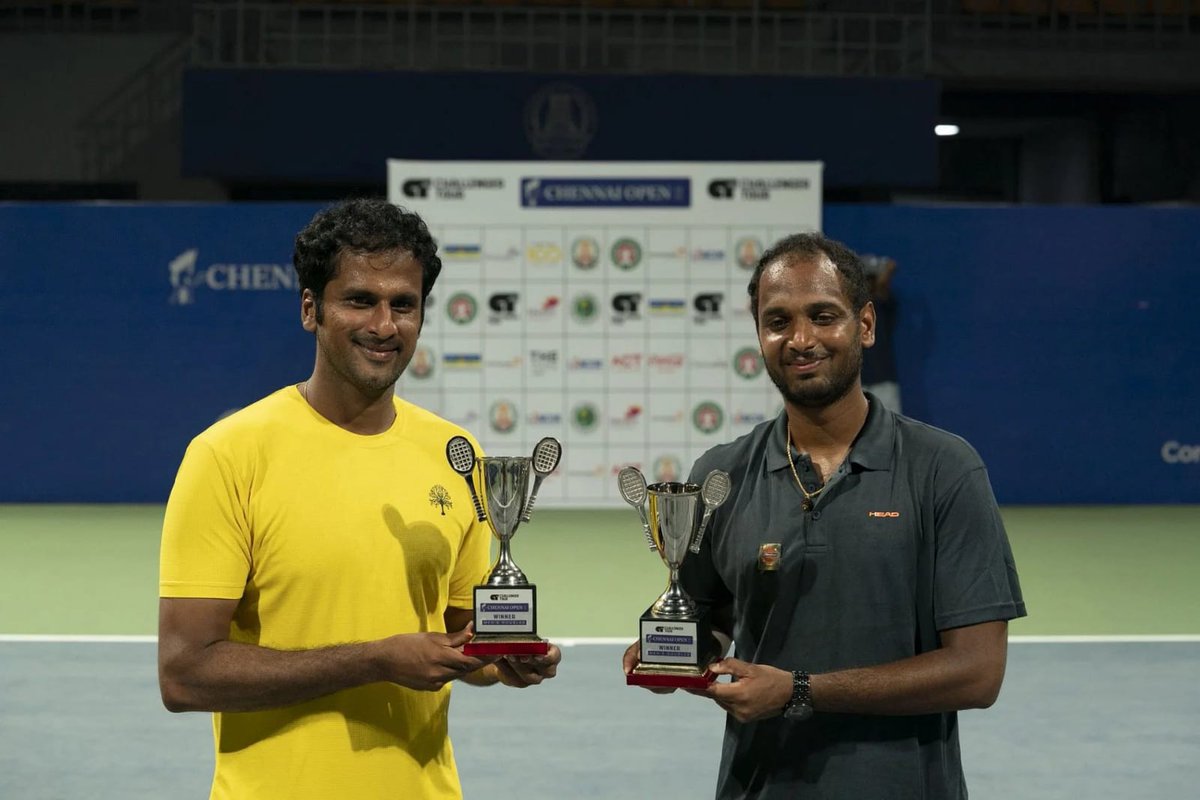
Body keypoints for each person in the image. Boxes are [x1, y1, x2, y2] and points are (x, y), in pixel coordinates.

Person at [158, 198, 561, 800]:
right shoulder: (227, 454)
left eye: (404, 304)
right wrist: (375, 660)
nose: (384, 324)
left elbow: (459, 637)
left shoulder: (455, 452)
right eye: (359, 300)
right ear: (310, 310)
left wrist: (501, 658)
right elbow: (184, 675)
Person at [624, 232, 1025, 799]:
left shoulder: (944, 468)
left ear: (865, 325)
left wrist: (800, 690)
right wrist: (676, 654)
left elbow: (978, 672)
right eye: (778, 320)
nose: (801, 339)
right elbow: (709, 615)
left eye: (823, 316)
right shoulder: (721, 473)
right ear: (759, 334)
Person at [860, 254, 903, 413]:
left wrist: (883, 270)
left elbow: (883, 285)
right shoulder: (850, 307)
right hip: (856, 384)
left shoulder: (882, 304)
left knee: (890, 431)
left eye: (872, 279)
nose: (868, 284)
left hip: (883, 381)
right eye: (865, 279)